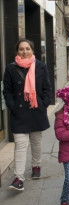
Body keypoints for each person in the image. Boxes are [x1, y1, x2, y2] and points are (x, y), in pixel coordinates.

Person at [3, 39, 51, 191]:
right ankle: (18, 178)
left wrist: (43, 104)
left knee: (36, 142)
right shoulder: (11, 68)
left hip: (36, 110)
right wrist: (13, 107)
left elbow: (47, 89)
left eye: (27, 49)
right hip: (20, 112)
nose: (24, 52)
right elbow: (7, 91)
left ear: (32, 50)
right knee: (20, 145)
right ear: (17, 51)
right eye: (21, 49)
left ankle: (36, 166)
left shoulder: (41, 67)